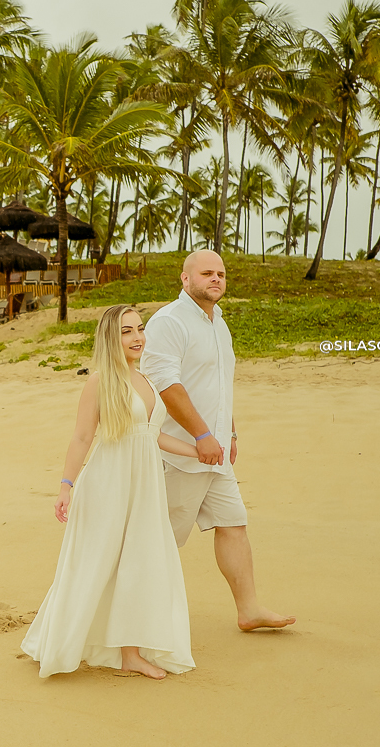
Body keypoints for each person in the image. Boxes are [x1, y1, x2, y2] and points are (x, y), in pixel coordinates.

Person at [21, 304, 203, 680]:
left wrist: (198, 448)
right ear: (110, 337)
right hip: (108, 484)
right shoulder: (101, 381)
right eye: (127, 331)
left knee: (138, 562)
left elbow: (153, 435)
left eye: (140, 329)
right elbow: (83, 436)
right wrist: (65, 487)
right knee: (93, 565)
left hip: (144, 485)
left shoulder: (148, 380)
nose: (138, 338)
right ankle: (57, 641)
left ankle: (130, 653)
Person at [140, 249, 295, 632]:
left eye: (221, 274)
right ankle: (134, 620)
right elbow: (166, 385)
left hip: (215, 451)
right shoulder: (169, 321)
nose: (216, 280)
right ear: (185, 279)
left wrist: (230, 432)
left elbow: (218, 385)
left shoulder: (217, 322)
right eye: (206, 273)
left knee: (232, 523)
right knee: (160, 540)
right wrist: (203, 435)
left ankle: (249, 610)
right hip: (181, 453)